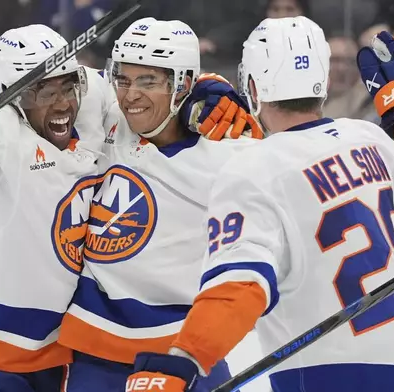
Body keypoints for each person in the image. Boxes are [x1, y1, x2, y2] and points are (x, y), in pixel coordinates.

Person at [0, 23, 254, 391]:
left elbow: (146, 77)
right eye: (41, 92)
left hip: (58, 355)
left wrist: (209, 86)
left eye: (67, 87)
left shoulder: (94, 104)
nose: (60, 103)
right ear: (10, 96)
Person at [123, 17, 394, 392]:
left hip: (330, 377)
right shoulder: (366, 138)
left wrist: (183, 361)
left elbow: (240, 286)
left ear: (253, 86)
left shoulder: (252, 169)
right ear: (321, 82)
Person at [56, 17, 263, 391]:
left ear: (183, 84)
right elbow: (35, 84)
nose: (130, 94)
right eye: (124, 78)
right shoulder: (104, 119)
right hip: (93, 349)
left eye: (148, 81)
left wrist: (218, 90)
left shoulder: (230, 152)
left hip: (184, 351)